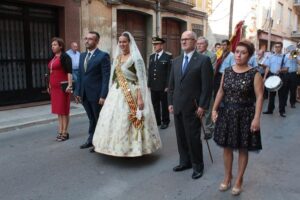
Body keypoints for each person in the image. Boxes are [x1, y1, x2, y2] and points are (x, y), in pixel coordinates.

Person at [92, 32, 162, 157]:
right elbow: (113, 77)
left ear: (130, 43)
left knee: (130, 120)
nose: (122, 44)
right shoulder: (117, 58)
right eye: (120, 42)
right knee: (113, 120)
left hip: (132, 92)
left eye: (124, 41)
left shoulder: (136, 58)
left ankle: (134, 149)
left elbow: (140, 80)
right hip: (117, 92)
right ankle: (113, 147)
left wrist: (140, 98)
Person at [212, 40, 263, 196]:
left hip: (245, 115)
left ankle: (239, 179)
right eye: (237, 52)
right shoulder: (227, 71)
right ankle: (228, 176)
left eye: (243, 52)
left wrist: (256, 118)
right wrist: (214, 109)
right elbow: (221, 91)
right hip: (227, 113)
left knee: (242, 148)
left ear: (249, 55)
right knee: (227, 147)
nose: (238, 55)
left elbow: (260, 96)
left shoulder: (254, 73)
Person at [168, 31, 213, 179]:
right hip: (178, 106)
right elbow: (172, 84)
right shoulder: (176, 61)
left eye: (187, 39)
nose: (183, 41)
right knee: (180, 137)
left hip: (194, 107)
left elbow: (207, 86)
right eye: (182, 39)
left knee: (193, 138)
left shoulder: (203, 60)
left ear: (194, 41)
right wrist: (170, 102)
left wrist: (203, 106)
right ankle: (184, 162)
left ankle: (197, 166)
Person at [74, 31, 111, 150]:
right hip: (84, 94)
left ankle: (100, 142)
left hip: (96, 95)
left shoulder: (103, 56)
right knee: (91, 118)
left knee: (98, 119)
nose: (87, 41)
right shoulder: (82, 56)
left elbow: (106, 77)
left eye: (90, 39)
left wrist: (103, 95)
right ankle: (91, 139)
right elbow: (80, 75)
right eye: (86, 38)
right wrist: (78, 92)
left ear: (96, 41)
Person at [48, 37, 73, 141]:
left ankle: (65, 132)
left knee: (64, 110)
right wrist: (49, 85)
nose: (52, 47)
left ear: (60, 46)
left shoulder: (65, 57)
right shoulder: (53, 58)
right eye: (52, 45)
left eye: (55, 45)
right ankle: (60, 130)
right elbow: (51, 73)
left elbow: (69, 72)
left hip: (63, 87)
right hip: (54, 88)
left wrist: (70, 85)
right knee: (59, 111)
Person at [148, 36, 172, 129]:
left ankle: (165, 121)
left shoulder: (168, 56)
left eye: (156, 44)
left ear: (161, 45)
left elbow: (169, 72)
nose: (154, 46)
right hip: (154, 85)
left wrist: (167, 85)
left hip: (163, 86)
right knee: (155, 104)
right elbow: (150, 71)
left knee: (164, 104)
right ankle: (157, 120)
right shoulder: (151, 56)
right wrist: (149, 84)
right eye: (154, 44)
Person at [196, 36, 216, 139]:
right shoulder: (194, 55)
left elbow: (211, 71)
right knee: (197, 107)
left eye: (201, 44)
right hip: (195, 87)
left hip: (207, 86)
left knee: (208, 108)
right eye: (198, 43)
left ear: (206, 45)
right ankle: (197, 127)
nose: (199, 45)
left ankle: (209, 129)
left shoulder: (211, 56)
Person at [263, 42, 288, 117]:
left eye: (279, 47)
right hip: (272, 76)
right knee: (271, 94)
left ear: (281, 48)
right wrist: (264, 77)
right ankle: (270, 110)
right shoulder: (270, 56)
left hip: (281, 76)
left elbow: (286, 69)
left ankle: (282, 111)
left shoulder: (284, 57)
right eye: (276, 47)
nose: (277, 48)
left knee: (282, 95)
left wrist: (281, 70)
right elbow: (268, 67)